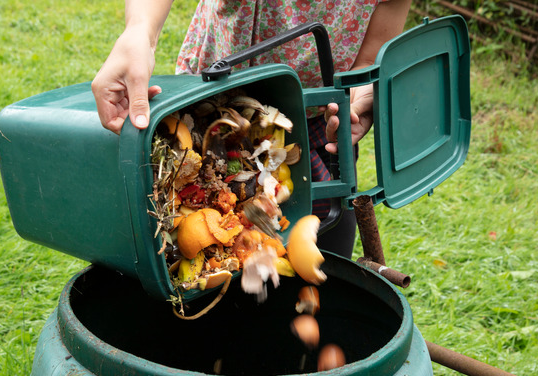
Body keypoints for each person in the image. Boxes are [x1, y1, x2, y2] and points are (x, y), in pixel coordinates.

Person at [92, 0, 411, 259]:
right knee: (188, 247)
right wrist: (139, 30)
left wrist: (360, 95)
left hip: (313, 129)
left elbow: (371, 58)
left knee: (322, 261)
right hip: (206, 115)